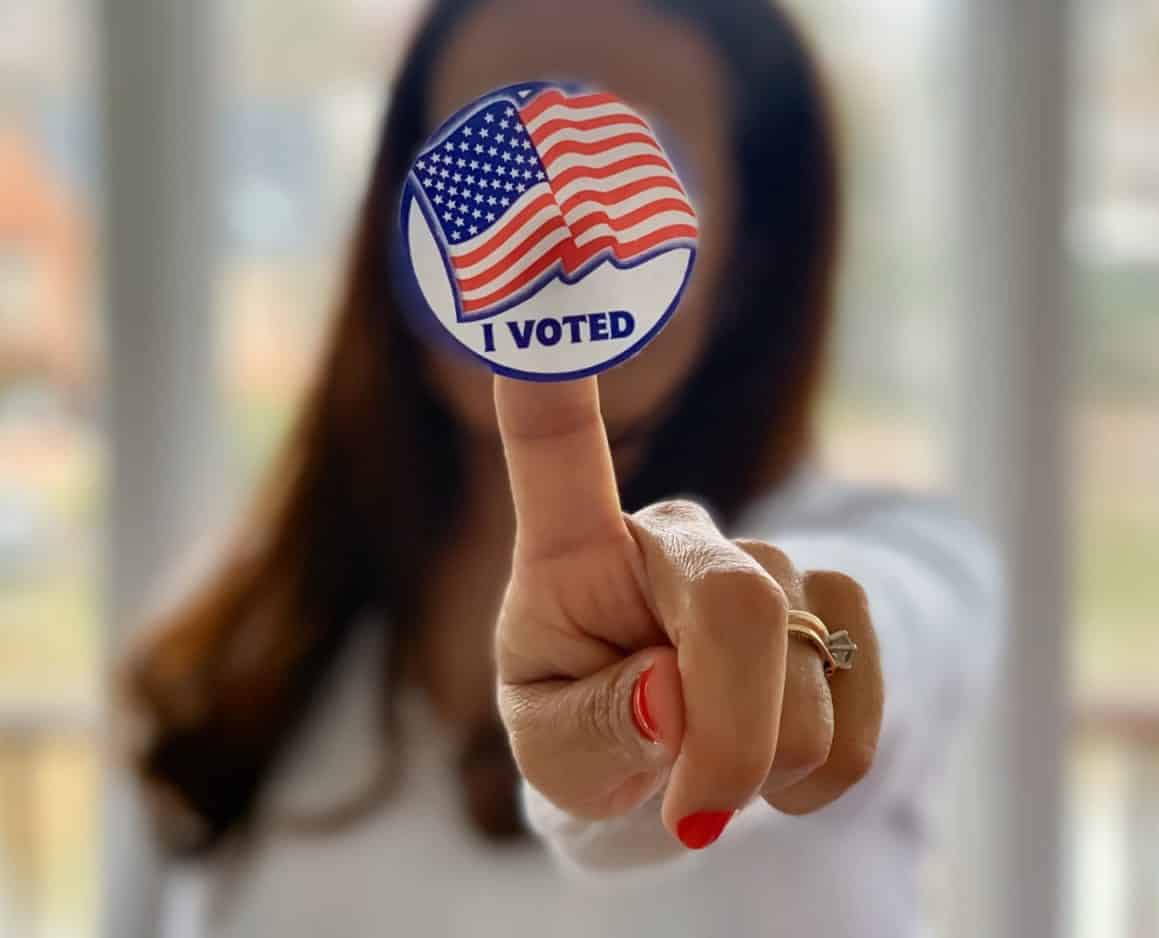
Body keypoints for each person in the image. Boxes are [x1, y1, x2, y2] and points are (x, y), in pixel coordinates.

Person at [120, 1, 1000, 936]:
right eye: (488, 157)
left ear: (750, 253)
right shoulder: (252, 618)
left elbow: (896, 627)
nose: (540, 233)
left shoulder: (910, 554)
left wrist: (755, 661)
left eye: (616, 160)